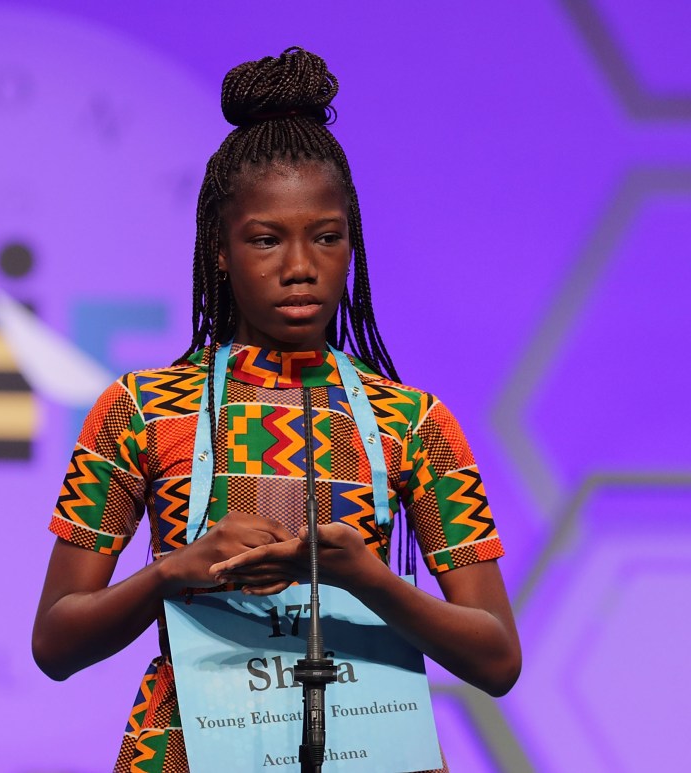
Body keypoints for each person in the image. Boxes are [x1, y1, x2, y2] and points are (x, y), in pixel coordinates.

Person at [32, 46, 521, 772]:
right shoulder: (138, 411)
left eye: (326, 236)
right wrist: (174, 570)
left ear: (351, 243)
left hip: (375, 748)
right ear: (220, 250)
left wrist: (370, 578)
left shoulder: (412, 424)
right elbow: (56, 642)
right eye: (266, 239)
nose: (300, 265)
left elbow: (497, 657)